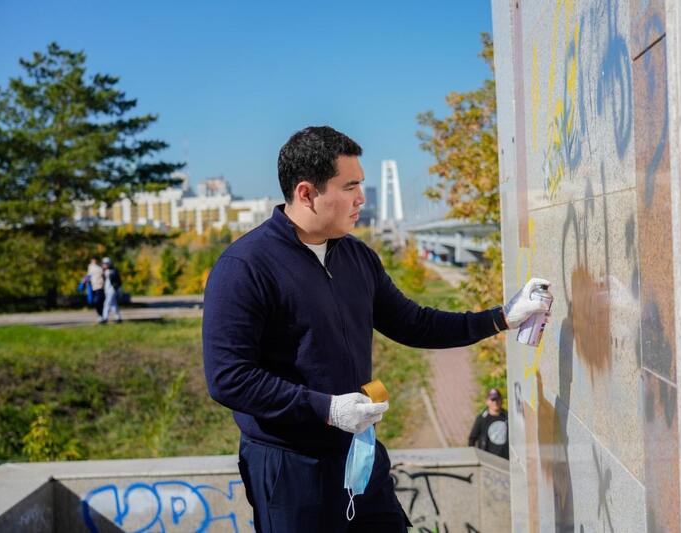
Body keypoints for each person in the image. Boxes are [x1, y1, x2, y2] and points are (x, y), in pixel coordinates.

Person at [201, 126, 549, 533]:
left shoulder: (357, 257)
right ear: (306, 193)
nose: (361, 198)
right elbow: (229, 378)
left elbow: (416, 324)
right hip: (290, 467)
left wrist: (501, 317)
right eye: (350, 187)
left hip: (360, 455)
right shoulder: (245, 266)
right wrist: (327, 409)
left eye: (361, 185)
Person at [468, 388, 509, 460]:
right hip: (487, 460)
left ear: (501, 400)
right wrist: (473, 457)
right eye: (492, 400)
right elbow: (472, 439)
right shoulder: (482, 418)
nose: (495, 402)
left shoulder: (508, 417)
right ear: (487, 402)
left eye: (497, 399)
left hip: (506, 460)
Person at [100, 257, 122, 324]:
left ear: (109, 264)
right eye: (103, 264)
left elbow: (118, 281)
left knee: (107, 303)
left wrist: (117, 288)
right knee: (113, 304)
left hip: (112, 289)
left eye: (105, 264)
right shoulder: (104, 271)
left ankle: (105, 318)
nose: (103, 265)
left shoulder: (113, 270)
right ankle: (118, 318)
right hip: (107, 289)